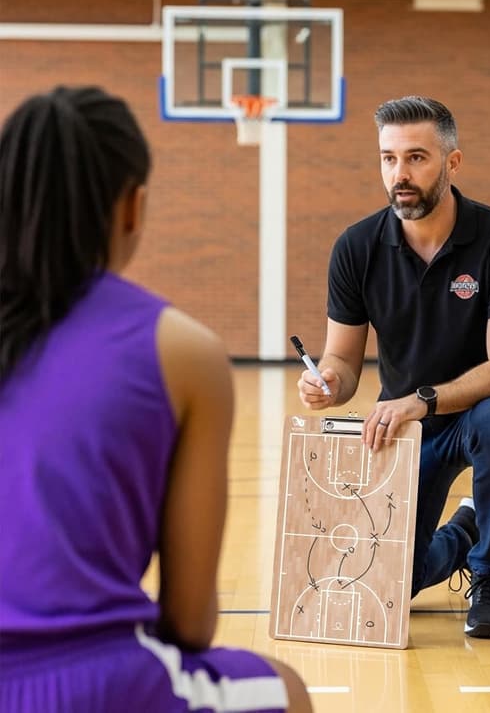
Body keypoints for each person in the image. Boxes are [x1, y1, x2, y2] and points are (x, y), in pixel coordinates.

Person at [0, 86, 312, 713]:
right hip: (95, 683)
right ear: (133, 207)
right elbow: (190, 623)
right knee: (288, 692)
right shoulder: (184, 352)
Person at [297, 95, 490, 639]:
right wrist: (328, 382)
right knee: (384, 580)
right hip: (412, 427)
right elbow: (341, 358)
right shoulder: (356, 247)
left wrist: (422, 398)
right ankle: (463, 535)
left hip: (489, 407)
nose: (399, 174)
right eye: (388, 159)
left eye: (416, 158)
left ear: (452, 163)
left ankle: (489, 575)